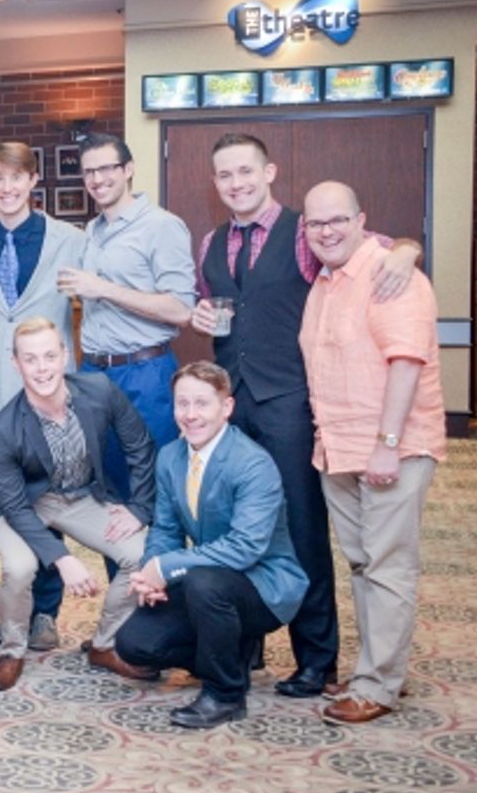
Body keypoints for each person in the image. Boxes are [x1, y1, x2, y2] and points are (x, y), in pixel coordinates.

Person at [188, 133, 420, 699]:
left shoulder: (302, 231)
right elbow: (215, 300)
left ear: (269, 172)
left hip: (290, 401)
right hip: (232, 404)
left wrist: (407, 249)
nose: (236, 183)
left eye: (246, 171)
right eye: (225, 176)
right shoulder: (211, 242)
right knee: (229, 527)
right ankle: (240, 651)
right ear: (215, 184)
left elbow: (372, 248)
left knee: (299, 529)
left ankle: (317, 659)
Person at [299, 181, 446, 724]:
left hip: (391, 450)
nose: (327, 231)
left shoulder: (390, 275)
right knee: (362, 564)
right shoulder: (325, 283)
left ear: (362, 219)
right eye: (316, 224)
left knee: (387, 565)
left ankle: (379, 683)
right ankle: (378, 668)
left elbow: (405, 364)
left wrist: (387, 445)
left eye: (337, 220)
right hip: (338, 448)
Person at [116, 362, 308, 728]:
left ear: (227, 407)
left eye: (202, 404)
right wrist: (154, 569)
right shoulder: (171, 456)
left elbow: (245, 548)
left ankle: (225, 694)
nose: (190, 415)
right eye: (182, 404)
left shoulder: (252, 463)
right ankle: (233, 653)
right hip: (207, 580)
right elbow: (166, 529)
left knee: (205, 583)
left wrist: (168, 568)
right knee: (134, 644)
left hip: (264, 586)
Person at [0, 318, 157, 691]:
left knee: (140, 556)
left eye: (49, 356)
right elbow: (14, 506)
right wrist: (63, 558)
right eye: (31, 359)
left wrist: (140, 509)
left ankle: (105, 645)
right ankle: (12, 650)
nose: (42, 368)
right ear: (16, 364)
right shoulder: (5, 426)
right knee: (19, 568)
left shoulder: (100, 391)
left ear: (65, 355)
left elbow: (139, 447)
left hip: (80, 496)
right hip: (26, 505)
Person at [0, 141, 87, 652]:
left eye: (16, 179)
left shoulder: (70, 238)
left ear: (35, 181)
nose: (7, 188)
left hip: (50, 384)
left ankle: (45, 612)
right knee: (9, 494)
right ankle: (13, 608)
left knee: (50, 495)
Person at [56, 132, 195, 489]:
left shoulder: (162, 226)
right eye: (89, 172)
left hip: (144, 372)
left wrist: (102, 288)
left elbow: (181, 309)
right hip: (94, 373)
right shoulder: (92, 230)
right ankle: (116, 549)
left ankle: (158, 548)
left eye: (106, 169)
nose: (97, 180)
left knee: (154, 483)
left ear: (129, 169)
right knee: (109, 482)